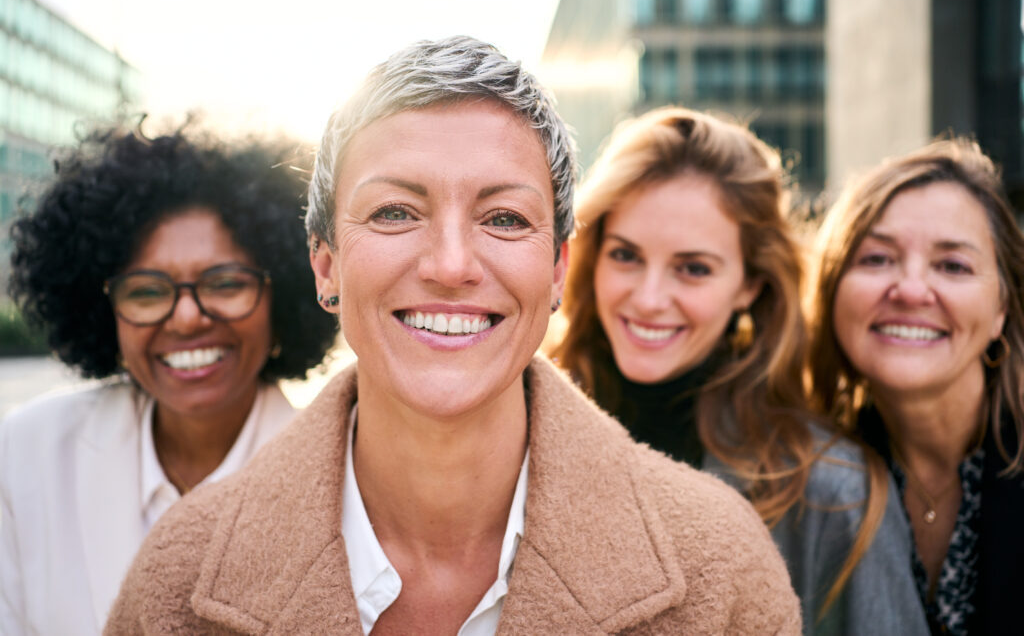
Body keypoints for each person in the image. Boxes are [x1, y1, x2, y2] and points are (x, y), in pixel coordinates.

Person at [105, 37, 800, 635]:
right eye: (395, 211)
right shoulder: (177, 576)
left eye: (502, 218)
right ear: (326, 265)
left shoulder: (723, 566)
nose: (450, 265)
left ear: (557, 267)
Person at [550, 106, 927, 634]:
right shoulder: (518, 439)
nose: (650, 298)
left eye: (693, 268)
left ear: (750, 284)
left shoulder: (833, 493)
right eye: (626, 256)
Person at [0, 126, 338, 635]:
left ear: (284, 296)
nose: (185, 319)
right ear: (103, 309)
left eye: (225, 283)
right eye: (146, 291)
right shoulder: (26, 454)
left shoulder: (344, 486)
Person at [807, 138, 1024, 636]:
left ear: (1001, 311)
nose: (909, 289)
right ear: (832, 287)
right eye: (877, 259)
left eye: (953, 266)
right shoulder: (805, 474)